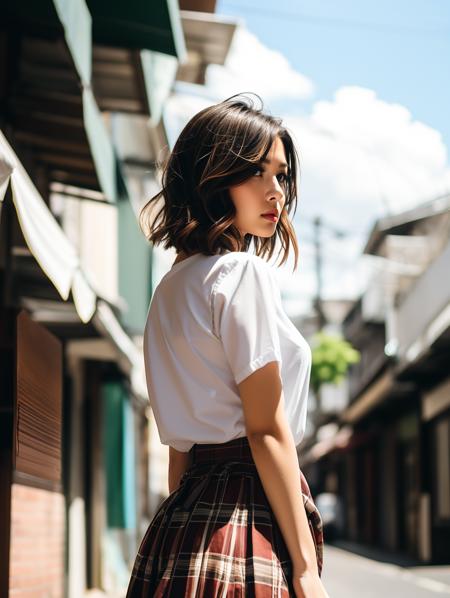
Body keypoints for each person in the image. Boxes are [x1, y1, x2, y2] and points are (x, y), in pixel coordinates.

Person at [126, 93, 329, 598]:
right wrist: (305, 570)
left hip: (180, 524)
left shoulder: (168, 289)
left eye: (281, 176)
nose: (276, 193)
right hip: (247, 512)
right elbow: (266, 430)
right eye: (257, 173)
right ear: (212, 178)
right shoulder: (240, 273)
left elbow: (180, 450)